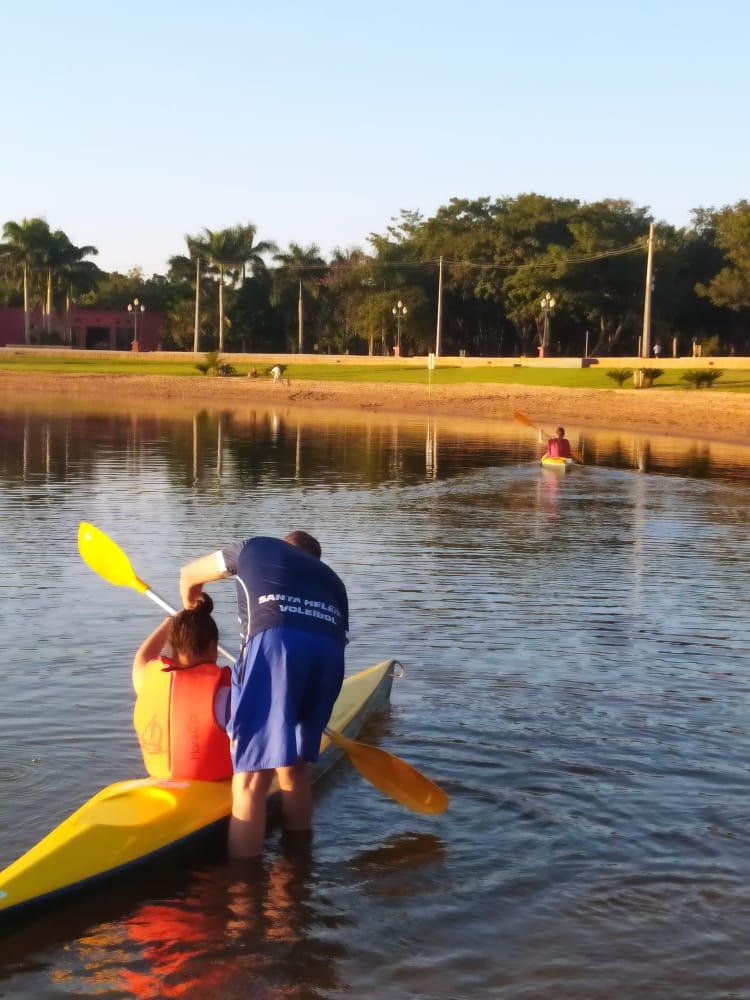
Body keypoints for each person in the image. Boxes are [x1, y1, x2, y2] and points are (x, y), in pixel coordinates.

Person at [179, 531, 348, 858]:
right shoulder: (333, 581)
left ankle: (244, 892)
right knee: (295, 768)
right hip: (329, 656)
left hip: (276, 645)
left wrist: (192, 609)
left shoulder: (253, 548)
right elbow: (337, 637)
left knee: (250, 781)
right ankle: (298, 868)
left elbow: (189, 575)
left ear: (285, 545)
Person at [132, 594, 232, 782]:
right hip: (213, 788)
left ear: (173, 646)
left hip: (157, 782)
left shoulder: (147, 680)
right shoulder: (227, 695)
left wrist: (171, 620)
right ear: (213, 648)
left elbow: (143, 656)